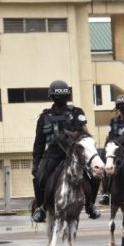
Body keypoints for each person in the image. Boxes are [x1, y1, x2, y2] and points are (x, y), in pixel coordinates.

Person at [31, 80, 101, 223]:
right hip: (52, 155)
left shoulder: (76, 113)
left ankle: (90, 205)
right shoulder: (44, 117)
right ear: (52, 97)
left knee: (95, 177)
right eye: (56, 97)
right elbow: (39, 143)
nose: (59, 100)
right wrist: (35, 163)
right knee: (40, 178)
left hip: (75, 154)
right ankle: (41, 208)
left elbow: (83, 132)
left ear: (67, 97)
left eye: (62, 97)